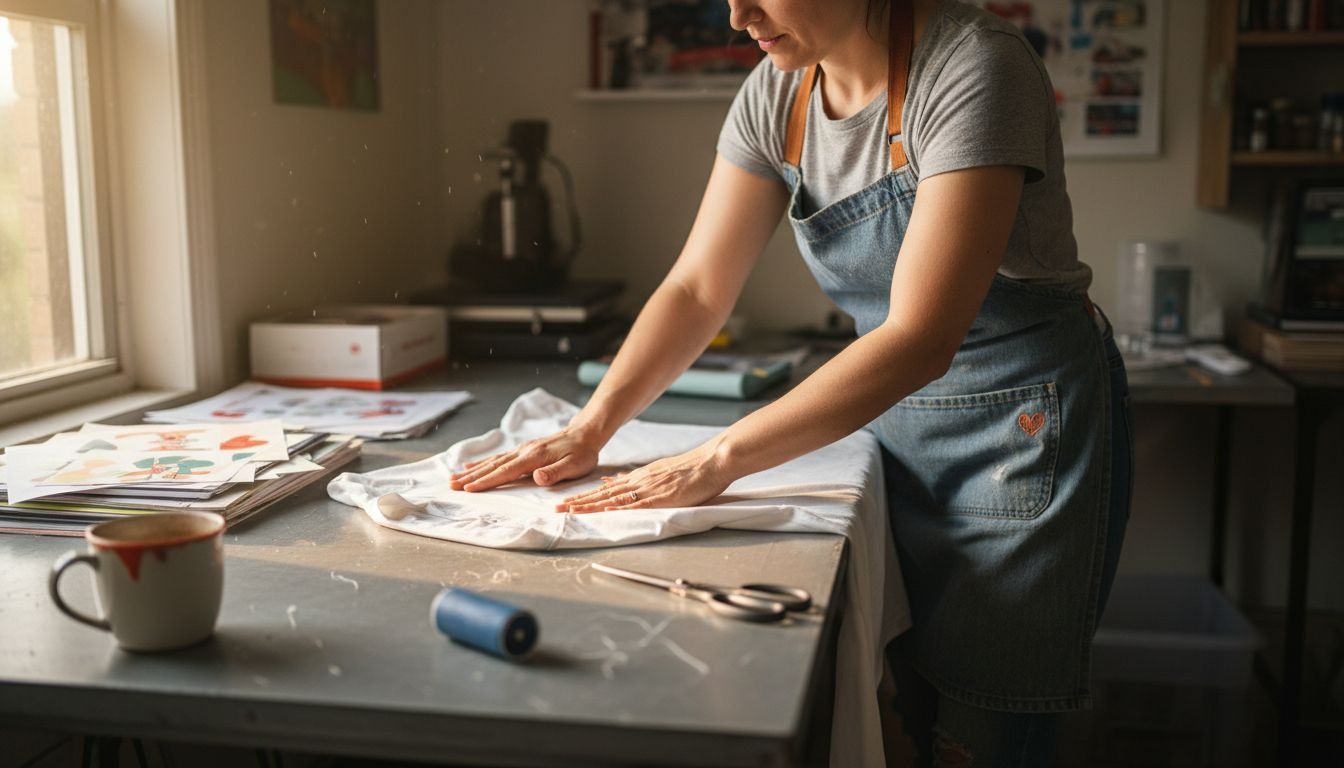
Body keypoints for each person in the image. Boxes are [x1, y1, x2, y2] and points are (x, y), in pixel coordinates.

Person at [450, 0, 1133, 764]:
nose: (739, 16)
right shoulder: (779, 93)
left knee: (981, 735)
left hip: (1020, 439)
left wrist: (718, 458)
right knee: (907, 702)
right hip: (890, 435)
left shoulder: (976, 66)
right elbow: (698, 289)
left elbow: (919, 337)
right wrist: (592, 425)